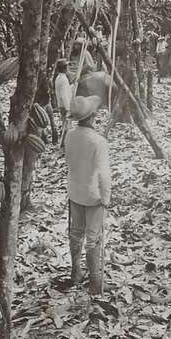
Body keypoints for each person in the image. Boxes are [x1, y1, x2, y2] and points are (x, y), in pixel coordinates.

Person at [64, 95, 112, 295]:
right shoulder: (98, 141)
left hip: (75, 191)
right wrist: (106, 197)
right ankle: (95, 281)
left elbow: (69, 162)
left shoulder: (69, 135)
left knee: (76, 233)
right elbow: (104, 173)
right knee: (93, 238)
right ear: (92, 116)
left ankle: (76, 272)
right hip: (93, 195)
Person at [53, 59, 73, 146]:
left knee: (65, 123)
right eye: (67, 66)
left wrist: (73, 85)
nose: (68, 68)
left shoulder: (59, 78)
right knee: (67, 125)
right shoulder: (63, 79)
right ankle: (66, 144)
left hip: (61, 104)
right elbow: (64, 95)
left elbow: (65, 90)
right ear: (64, 68)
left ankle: (64, 143)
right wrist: (68, 108)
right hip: (64, 105)